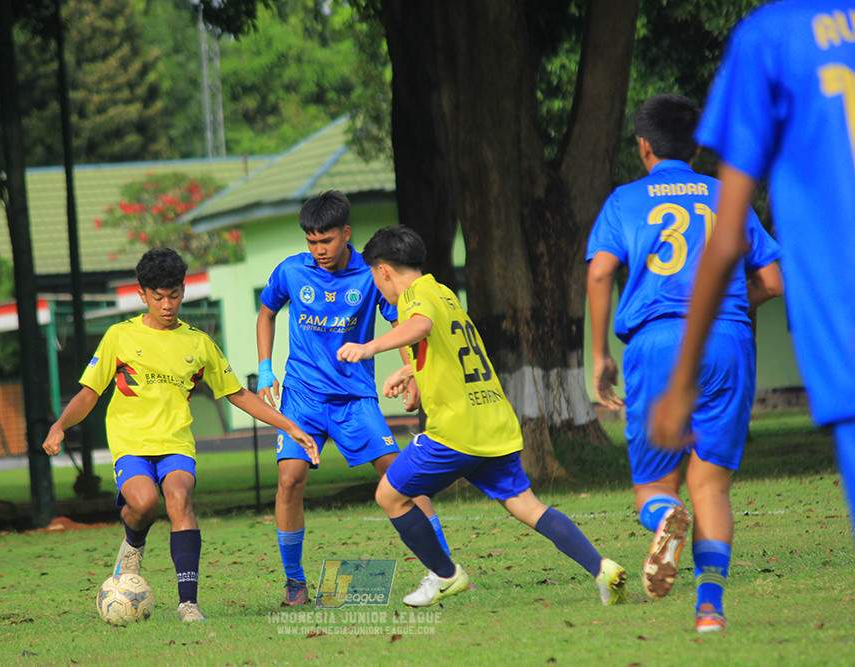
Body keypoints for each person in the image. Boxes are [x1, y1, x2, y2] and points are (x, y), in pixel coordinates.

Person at [651, 2, 855, 552]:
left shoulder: (770, 37)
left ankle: (705, 592)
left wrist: (681, 381)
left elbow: (725, 244)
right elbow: (769, 276)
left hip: (842, 333)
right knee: (712, 481)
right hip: (743, 344)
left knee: (694, 481)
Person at [336, 225, 628, 608]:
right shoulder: (444, 293)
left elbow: (420, 326)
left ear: (383, 271)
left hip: (456, 431)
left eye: (376, 278)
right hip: (493, 423)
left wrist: (369, 347)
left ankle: (445, 575)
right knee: (529, 506)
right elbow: (449, 349)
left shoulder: (413, 297)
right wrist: (409, 371)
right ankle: (602, 568)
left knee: (389, 496)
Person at [586, 94, 783, 633]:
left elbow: (600, 272)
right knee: (712, 487)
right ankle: (709, 610)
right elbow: (772, 280)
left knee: (654, 487)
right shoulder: (727, 196)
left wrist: (600, 354)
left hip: (657, 344)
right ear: (696, 148)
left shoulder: (624, 200)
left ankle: (663, 515)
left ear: (643, 147)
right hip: (727, 341)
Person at [42, 247, 318, 624]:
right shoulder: (119, 337)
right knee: (143, 504)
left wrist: (288, 425)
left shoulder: (198, 343)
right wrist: (60, 425)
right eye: (158, 297)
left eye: (174, 295)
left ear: (183, 292)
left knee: (179, 497)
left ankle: (188, 603)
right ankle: (133, 543)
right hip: (131, 443)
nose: (167, 305)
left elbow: (237, 394)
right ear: (142, 294)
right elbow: (89, 393)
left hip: (176, 443)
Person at [257, 190, 448, 606]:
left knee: (402, 476)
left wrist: (413, 374)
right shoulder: (291, 271)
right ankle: (295, 583)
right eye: (311, 241)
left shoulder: (371, 274)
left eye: (326, 240)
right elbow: (266, 312)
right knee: (289, 480)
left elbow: (400, 325)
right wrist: (265, 366)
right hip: (302, 396)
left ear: (346, 234)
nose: (319, 250)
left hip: (355, 399)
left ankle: (444, 568)